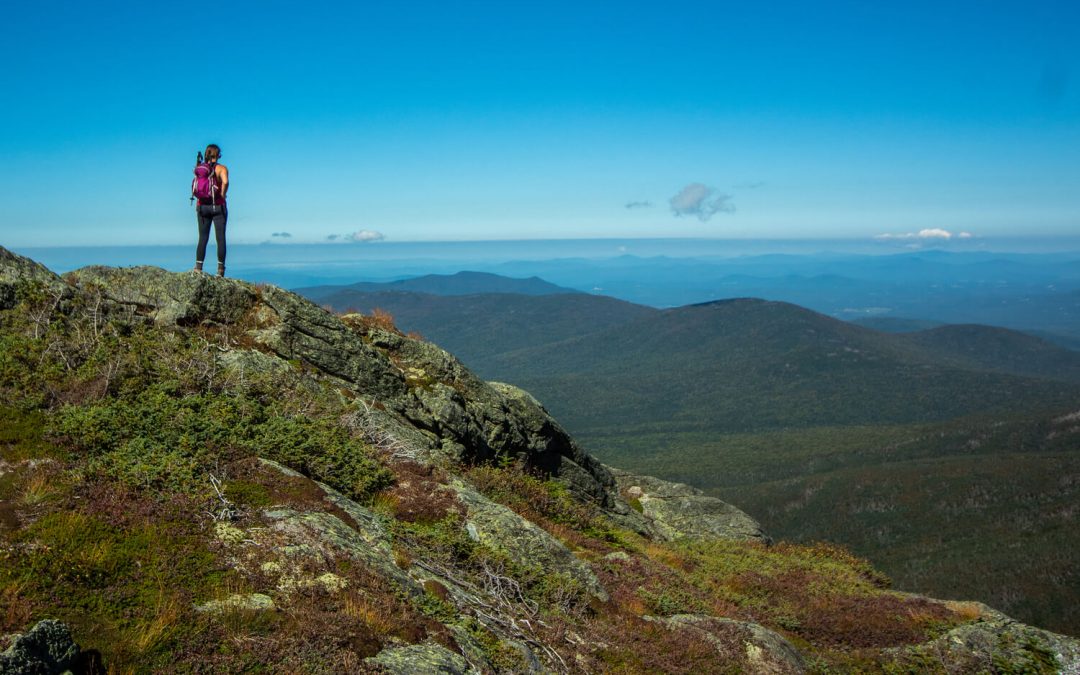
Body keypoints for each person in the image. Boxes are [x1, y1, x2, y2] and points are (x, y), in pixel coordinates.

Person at [194, 144, 230, 276]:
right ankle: (220, 270)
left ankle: (198, 267)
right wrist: (223, 194)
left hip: (202, 206)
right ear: (218, 154)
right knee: (220, 238)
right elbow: (225, 182)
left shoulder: (200, 169)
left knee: (203, 237)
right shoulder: (222, 169)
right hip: (218, 206)